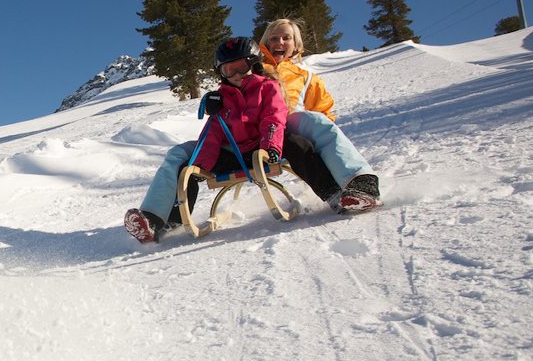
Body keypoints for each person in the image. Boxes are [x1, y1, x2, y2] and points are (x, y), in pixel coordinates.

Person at [124, 37, 341, 243]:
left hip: (264, 149)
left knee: (298, 145)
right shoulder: (220, 99)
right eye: (229, 69)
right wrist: (201, 165)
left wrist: (270, 148)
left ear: (254, 64)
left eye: (241, 67)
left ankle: (335, 194)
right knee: (185, 169)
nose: (236, 74)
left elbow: (272, 119)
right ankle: (166, 222)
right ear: (221, 73)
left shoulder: (268, 87)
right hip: (234, 153)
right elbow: (214, 133)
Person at [259, 18, 382, 211]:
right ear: (266, 43)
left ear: (295, 44)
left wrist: (323, 135)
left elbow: (322, 111)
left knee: (316, 121)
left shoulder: (306, 77)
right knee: (312, 120)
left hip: (293, 125)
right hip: (264, 128)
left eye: (286, 38)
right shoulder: (254, 71)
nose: (280, 42)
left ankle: (359, 184)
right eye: (274, 38)